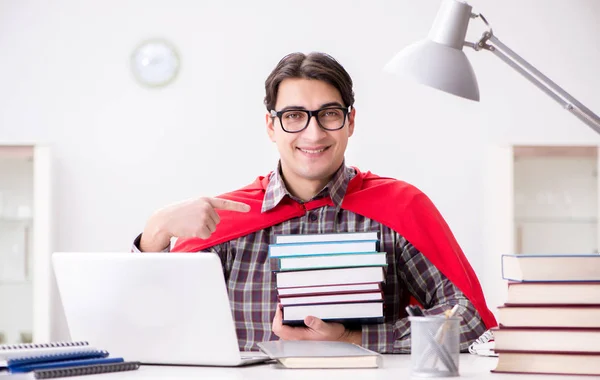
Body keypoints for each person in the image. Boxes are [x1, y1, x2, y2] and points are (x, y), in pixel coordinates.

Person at [133, 52, 497, 353]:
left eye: (329, 114)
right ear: (271, 126)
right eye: (294, 116)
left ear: (350, 121)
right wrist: (157, 231)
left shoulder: (400, 207)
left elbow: (467, 317)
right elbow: (152, 321)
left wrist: (355, 339)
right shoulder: (225, 220)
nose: (314, 132)